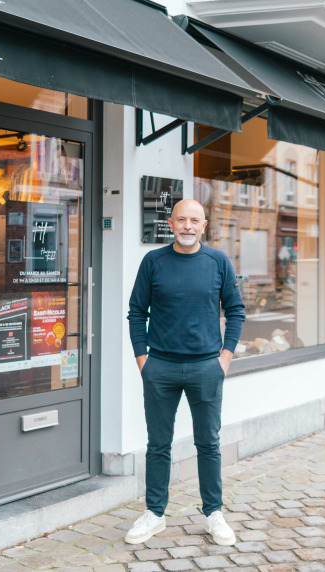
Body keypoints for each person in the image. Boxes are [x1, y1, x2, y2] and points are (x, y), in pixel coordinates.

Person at [126, 198, 245, 546]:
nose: (188, 226)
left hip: (206, 367)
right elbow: (136, 312)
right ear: (171, 223)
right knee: (158, 444)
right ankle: (155, 514)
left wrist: (224, 358)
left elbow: (236, 311)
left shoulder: (218, 262)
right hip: (160, 367)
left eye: (195, 220)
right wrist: (142, 359)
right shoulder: (154, 262)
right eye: (181, 220)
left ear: (204, 225)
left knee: (208, 443)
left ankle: (214, 513)